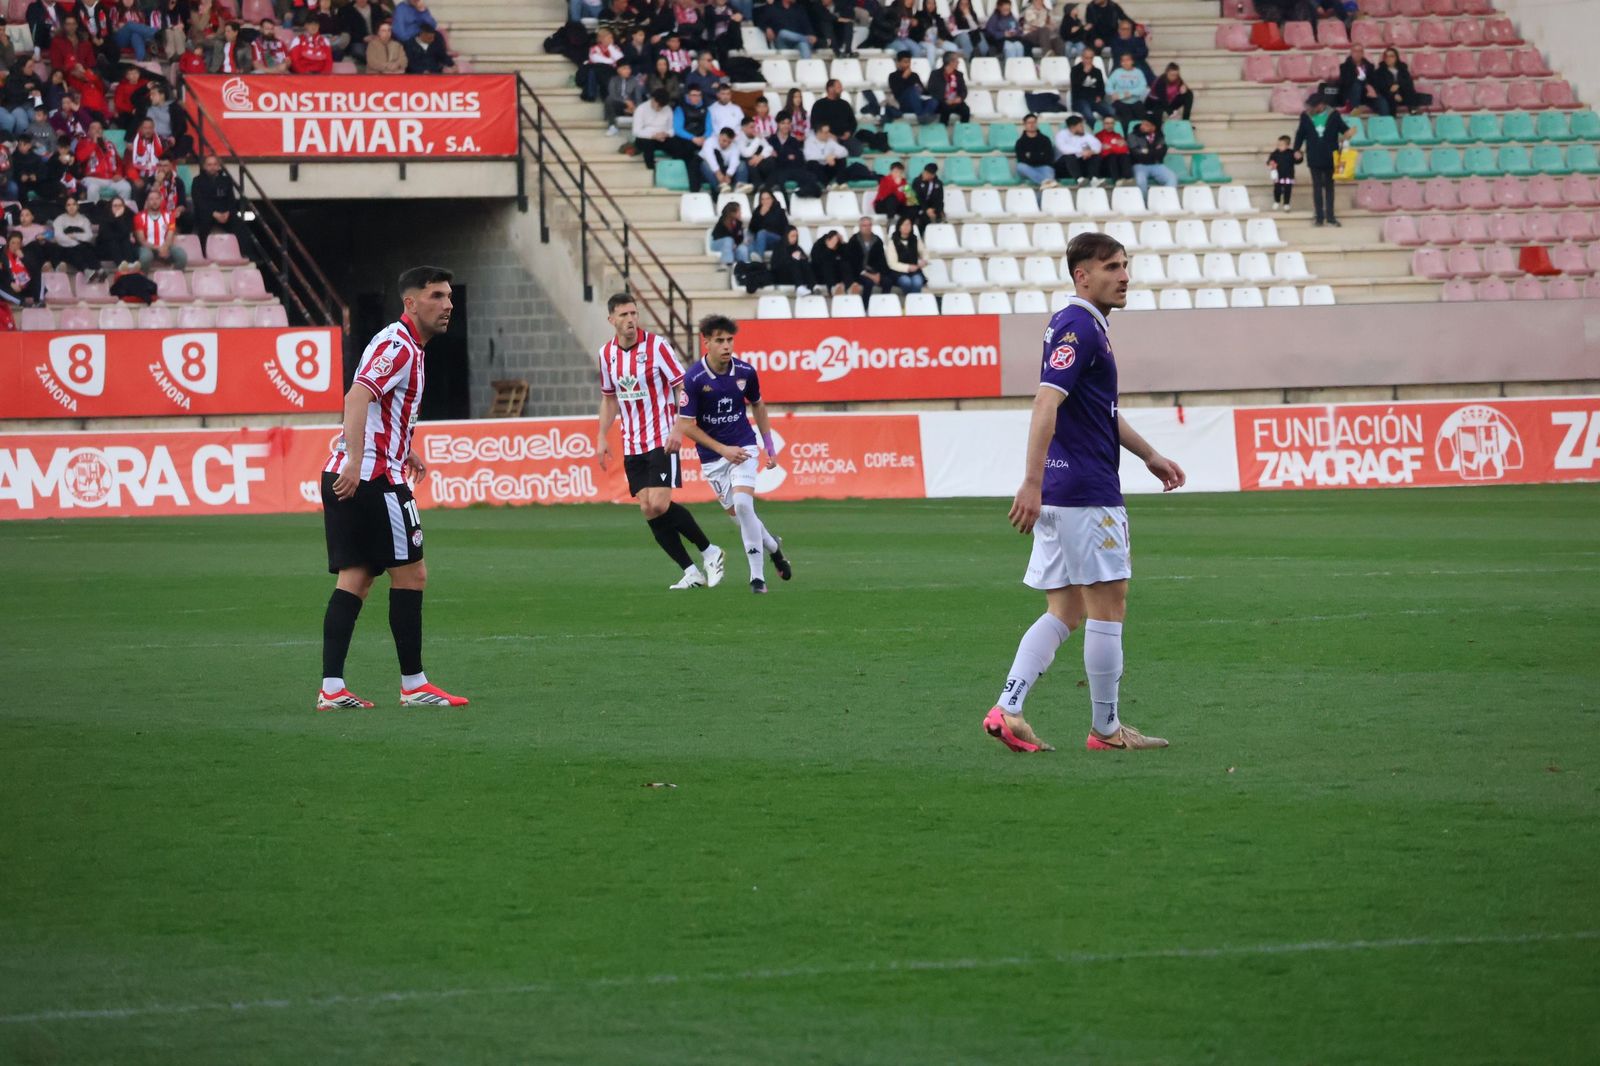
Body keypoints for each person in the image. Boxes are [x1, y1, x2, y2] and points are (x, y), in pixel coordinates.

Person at [984, 231, 1185, 755]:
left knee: (1066, 610)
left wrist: (1148, 454)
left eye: (1125, 265)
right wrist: (1030, 481)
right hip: (1085, 493)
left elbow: (1098, 412)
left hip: (1063, 492)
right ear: (1082, 275)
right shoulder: (1081, 327)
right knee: (1108, 607)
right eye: (1112, 267)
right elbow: (1045, 403)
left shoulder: (1076, 324)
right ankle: (1107, 729)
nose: (1125, 276)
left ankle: (1008, 709)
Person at [317, 266, 469, 712]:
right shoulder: (399, 347)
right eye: (437, 296)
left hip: (362, 472)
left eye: (449, 296)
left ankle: (332, 688)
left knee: (356, 579)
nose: (448, 305)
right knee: (412, 575)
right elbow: (357, 397)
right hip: (374, 480)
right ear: (411, 303)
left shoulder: (404, 345)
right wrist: (355, 459)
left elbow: (380, 409)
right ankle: (414, 685)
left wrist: (405, 449)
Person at [595, 293, 724, 590]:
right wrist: (601, 435)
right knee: (647, 508)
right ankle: (690, 571)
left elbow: (682, 387)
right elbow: (609, 398)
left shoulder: (657, 347)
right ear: (611, 320)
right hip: (632, 442)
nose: (630, 319)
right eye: (624, 315)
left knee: (659, 502)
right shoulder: (606, 354)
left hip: (662, 437)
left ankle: (710, 551)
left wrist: (679, 427)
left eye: (634, 313)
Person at [675, 315, 792, 594]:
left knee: (743, 505)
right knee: (741, 517)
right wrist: (721, 450)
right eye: (720, 341)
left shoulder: (745, 372)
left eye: (730, 340)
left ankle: (757, 578)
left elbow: (758, 405)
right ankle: (774, 547)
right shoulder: (694, 378)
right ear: (706, 342)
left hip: (743, 447)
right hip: (714, 458)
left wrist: (769, 446)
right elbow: (686, 425)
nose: (726, 346)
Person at [1293, 93, 1349, 226]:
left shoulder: (1334, 115)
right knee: (1317, 187)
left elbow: (1344, 130)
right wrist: (1296, 149)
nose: (1311, 108)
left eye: (1314, 106)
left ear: (1322, 105)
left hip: (1330, 156)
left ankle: (1330, 217)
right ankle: (1319, 217)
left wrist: (1347, 137)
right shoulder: (1305, 116)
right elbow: (1300, 134)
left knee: (1329, 187)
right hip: (1314, 155)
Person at [191, 154, 244, 258]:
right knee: (203, 224)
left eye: (215, 164)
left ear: (219, 166)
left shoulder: (226, 180)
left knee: (240, 224)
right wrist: (213, 214)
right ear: (204, 166)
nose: (212, 167)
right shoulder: (197, 181)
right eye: (209, 164)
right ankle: (203, 255)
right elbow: (198, 201)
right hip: (206, 213)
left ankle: (242, 253)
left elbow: (231, 200)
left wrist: (228, 213)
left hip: (224, 213)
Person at [764, 113, 821, 197]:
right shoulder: (771, 140)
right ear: (778, 124)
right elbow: (773, 159)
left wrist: (780, 156)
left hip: (793, 169)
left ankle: (802, 194)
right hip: (778, 170)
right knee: (776, 181)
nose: (786, 126)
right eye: (783, 123)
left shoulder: (794, 140)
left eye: (788, 123)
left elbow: (798, 158)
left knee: (810, 177)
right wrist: (788, 157)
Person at [134, 189, 186, 271]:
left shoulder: (170, 216)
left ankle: (174, 275)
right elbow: (142, 240)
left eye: (157, 199)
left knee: (181, 256)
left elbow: (170, 237)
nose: (154, 201)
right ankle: (143, 277)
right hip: (147, 247)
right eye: (151, 199)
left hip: (165, 246)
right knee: (145, 258)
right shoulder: (139, 217)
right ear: (147, 202)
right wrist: (158, 248)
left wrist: (165, 247)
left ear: (161, 200)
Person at [673, 85, 711, 190]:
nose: (696, 98)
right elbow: (678, 129)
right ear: (688, 96)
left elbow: (709, 128)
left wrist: (704, 137)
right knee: (692, 158)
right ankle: (695, 188)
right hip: (686, 140)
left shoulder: (706, 109)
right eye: (694, 95)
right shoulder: (680, 108)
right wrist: (693, 138)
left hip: (702, 140)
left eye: (699, 95)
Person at [1127, 118, 1176, 198]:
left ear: (1153, 127)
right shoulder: (1133, 135)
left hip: (1157, 164)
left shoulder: (1159, 136)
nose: (1142, 126)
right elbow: (1136, 154)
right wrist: (1154, 151)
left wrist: (1147, 151)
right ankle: (1144, 202)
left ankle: (1166, 200)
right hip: (1139, 165)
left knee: (1172, 177)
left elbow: (1162, 152)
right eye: (1143, 123)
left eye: (1146, 125)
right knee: (1140, 181)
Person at [844, 215, 890, 298]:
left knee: (887, 281)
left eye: (869, 225)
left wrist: (878, 274)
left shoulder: (877, 240)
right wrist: (869, 275)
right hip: (858, 272)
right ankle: (865, 304)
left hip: (874, 271)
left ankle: (883, 302)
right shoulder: (854, 240)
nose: (867, 227)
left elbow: (881, 260)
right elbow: (853, 262)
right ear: (860, 227)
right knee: (868, 283)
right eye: (864, 225)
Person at [1372, 47, 1427, 115]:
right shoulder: (1379, 71)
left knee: (1411, 94)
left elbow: (1409, 84)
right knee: (1389, 100)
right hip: (1389, 95)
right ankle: (1391, 120)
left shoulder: (1403, 69)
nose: (1388, 58)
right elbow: (1380, 88)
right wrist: (1393, 94)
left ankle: (1415, 115)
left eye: (1391, 56)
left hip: (1403, 94)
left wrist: (1399, 85)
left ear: (1396, 57)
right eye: (1386, 56)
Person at [50, 196, 98, 273]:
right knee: (73, 252)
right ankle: (87, 271)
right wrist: (76, 243)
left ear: (78, 206)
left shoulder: (84, 219)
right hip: (65, 248)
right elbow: (59, 236)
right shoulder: (60, 219)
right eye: (68, 205)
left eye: (74, 204)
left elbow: (89, 236)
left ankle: (98, 270)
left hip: (82, 246)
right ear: (65, 207)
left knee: (87, 249)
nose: (71, 207)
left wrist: (75, 236)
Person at [887, 53, 939, 124]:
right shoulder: (893, 76)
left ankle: (923, 116)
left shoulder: (914, 75)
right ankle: (922, 116)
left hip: (918, 101)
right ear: (898, 63)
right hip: (904, 103)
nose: (907, 64)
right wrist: (904, 77)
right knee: (912, 90)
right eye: (905, 62)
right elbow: (896, 91)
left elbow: (924, 92)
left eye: (909, 62)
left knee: (934, 101)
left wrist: (922, 89)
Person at [1052, 113, 1101, 186]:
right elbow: (1064, 149)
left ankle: (1093, 179)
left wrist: (1090, 152)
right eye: (1080, 126)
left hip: (1080, 162)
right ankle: (1079, 179)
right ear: (1072, 127)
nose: (1083, 128)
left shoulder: (1086, 135)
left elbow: (1097, 145)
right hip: (1064, 165)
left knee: (1095, 157)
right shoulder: (1061, 135)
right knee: (1069, 156)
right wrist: (1082, 152)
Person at [603, 59, 648, 136]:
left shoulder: (634, 81)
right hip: (619, 106)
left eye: (629, 68)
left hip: (631, 108)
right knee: (609, 99)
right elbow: (612, 95)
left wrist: (635, 108)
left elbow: (638, 98)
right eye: (625, 68)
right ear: (618, 70)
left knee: (644, 104)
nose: (628, 71)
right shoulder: (613, 80)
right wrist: (625, 101)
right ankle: (612, 126)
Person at [1338, 44, 1385, 116]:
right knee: (1356, 85)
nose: (1358, 53)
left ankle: (1386, 120)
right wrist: (1366, 84)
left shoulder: (1369, 66)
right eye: (1355, 51)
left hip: (1367, 95)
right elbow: (1346, 83)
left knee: (1382, 101)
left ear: (1363, 53)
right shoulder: (1344, 67)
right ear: (1351, 53)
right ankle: (1355, 117)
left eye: (1360, 51)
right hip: (1351, 95)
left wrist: (1372, 89)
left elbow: (1374, 82)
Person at [699, 126, 749, 193]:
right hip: (712, 169)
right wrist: (718, 173)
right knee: (705, 164)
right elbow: (710, 158)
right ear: (719, 136)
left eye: (729, 142)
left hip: (726, 169)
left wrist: (728, 175)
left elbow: (734, 162)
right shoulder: (710, 141)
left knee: (741, 164)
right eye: (724, 140)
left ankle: (740, 188)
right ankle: (720, 187)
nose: (726, 144)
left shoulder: (734, 147)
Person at [886, 214, 927, 294]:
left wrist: (924, 260)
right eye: (904, 225)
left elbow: (924, 252)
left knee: (918, 282)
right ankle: (910, 298)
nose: (906, 227)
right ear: (899, 227)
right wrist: (908, 267)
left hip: (915, 271)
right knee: (906, 282)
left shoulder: (915, 240)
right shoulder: (893, 242)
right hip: (898, 272)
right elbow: (892, 263)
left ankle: (912, 299)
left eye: (908, 224)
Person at [1014, 111, 1057, 188]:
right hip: (1028, 169)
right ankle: (1045, 181)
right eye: (1029, 123)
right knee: (1020, 166)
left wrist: (1030, 156)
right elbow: (1021, 159)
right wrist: (1040, 155)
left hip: (1044, 167)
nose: (1032, 124)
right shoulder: (1020, 142)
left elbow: (1049, 157)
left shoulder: (1045, 139)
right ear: (1024, 125)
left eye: (1034, 122)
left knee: (1048, 179)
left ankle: (1044, 183)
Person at [1105, 52, 1148, 127]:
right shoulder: (1117, 72)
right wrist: (1113, 93)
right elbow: (1108, 86)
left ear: (1132, 61)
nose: (1125, 63)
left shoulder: (1138, 72)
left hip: (1135, 101)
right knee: (1127, 118)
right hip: (1120, 101)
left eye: (1128, 60)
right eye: (1123, 61)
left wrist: (1131, 93)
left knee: (1143, 118)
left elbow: (1142, 87)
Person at [95, 192, 137, 269]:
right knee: (113, 241)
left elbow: (126, 232)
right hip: (106, 248)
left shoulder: (127, 216)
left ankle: (130, 263)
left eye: (120, 205)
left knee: (126, 241)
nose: (118, 208)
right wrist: (116, 218)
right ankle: (121, 264)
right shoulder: (105, 217)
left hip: (122, 247)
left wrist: (119, 219)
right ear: (111, 207)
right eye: (115, 206)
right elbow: (107, 236)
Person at [582, 26, 624, 101]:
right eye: (608, 37)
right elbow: (596, 59)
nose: (610, 39)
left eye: (611, 37)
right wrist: (612, 60)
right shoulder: (594, 48)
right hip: (600, 71)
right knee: (595, 71)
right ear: (601, 39)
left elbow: (619, 59)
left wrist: (610, 47)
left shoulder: (615, 47)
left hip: (612, 71)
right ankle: (593, 94)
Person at [0, 231, 42, 305]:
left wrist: (23, 258)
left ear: (21, 244)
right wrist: (10, 283)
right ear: (8, 243)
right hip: (10, 287)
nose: (15, 246)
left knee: (39, 275)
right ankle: (21, 302)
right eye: (13, 243)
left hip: (26, 285)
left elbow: (35, 270)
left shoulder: (26, 253)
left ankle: (38, 301)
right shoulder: (2, 255)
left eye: (18, 243)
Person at [771, 226, 816, 292]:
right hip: (782, 276)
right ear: (786, 236)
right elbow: (776, 265)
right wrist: (791, 258)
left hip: (796, 276)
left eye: (796, 236)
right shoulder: (779, 247)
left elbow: (805, 259)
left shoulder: (797, 247)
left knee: (804, 261)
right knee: (794, 261)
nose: (795, 238)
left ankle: (812, 286)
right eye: (792, 236)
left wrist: (800, 256)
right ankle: (799, 287)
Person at [1107, 19, 1153, 84]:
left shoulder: (1137, 40)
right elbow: (1121, 54)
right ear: (1119, 30)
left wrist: (1140, 39)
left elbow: (1144, 53)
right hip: (1120, 68)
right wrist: (1134, 54)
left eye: (1128, 29)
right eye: (1123, 29)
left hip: (1139, 68)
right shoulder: (1115, 41)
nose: (1126, 31)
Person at [930, 52, 970, 125]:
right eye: (956, 61)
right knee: (945, 109)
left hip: (955, 101)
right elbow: (932, 90)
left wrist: (960, 98)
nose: (958, 63)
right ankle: (943, 130)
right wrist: (945, 100)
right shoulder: (935, 74)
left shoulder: (959, 75)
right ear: (951, 62)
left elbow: (964, 90)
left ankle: (962, 130)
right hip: (942, 102)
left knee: (966, 110)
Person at [747, 188, 788, 259]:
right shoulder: (757, 211)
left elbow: (785, 228)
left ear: (772, 199)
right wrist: (760, 215)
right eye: (762, 199)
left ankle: (759, 260)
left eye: (768, 199)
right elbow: (752, 229)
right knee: (750, 245)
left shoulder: (779, 211)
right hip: (761, 241)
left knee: (762, 233)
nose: (765, 201)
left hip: (776, 240)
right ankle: (753, 264)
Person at [1070, 48, 1107, 123]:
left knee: (1111, 112)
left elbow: (1101, 88)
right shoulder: (1075, 70)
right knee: (1090, 117)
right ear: (1082, 58)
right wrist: (1084, 73)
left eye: (1091, 58)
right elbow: (1075, 88)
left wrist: (1100, 96)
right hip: (1080, 101)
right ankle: (1097, 130)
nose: (1089, 60)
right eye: (1086, 58)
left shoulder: (1097, 71)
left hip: (1094, 100)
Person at [709, 200, 750, 267]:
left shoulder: (739, 223)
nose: (741, 213)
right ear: (732, 213)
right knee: (728, 240)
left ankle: (743, 268)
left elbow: (740, 238)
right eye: (739, 211)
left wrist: (737, 243)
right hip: (717, 244)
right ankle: (727, 264)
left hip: (732, 246)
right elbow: (717, 236)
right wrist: (733, 243)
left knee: (742, 248)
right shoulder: (722, 221)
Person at [1095, 114, 1131, 187]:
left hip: (1117, 163)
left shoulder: (1118, 135)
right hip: (1105, 165)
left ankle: (1127, 179)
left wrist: (1110, 147)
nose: (1110, 125)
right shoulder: (1098, 136)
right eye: (1107, 123)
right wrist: (1116, 147)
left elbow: (1125, 150)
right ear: (1103, 124)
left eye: (1112, 123)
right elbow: (1103, 152)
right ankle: (1117, 180)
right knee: (1112, 156)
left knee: (1124, 156)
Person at [809, 227, 848, 293]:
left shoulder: (839, 244)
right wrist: (828, 249)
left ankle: (848, 286)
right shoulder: (818, 245)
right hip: (820, 274)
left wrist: (843, 243)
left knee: (844, 264)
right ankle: (833, 288)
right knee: (827, 264)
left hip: (837, 274)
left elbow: (847, 256)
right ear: (827, 240)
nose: (835, 247)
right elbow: (816, 262)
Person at [1267, 134, 1297, 212]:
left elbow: (1298, 160)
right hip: (1278, 175)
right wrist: (1271, 163)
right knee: (1277, 189)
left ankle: (1286, 203)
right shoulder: (1275, 153)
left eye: (1281, 145)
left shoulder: (1291, 153)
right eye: (1278, 144)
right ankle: (1277, 201)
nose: (1279, 146)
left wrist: (1299, 157)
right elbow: (1269, 161)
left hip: (1289, 175)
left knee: (1287, 189)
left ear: (1287, 145)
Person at [911, 161, 944, 226]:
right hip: (920, 206)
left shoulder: (938, 183)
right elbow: (917, 198)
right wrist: (926, 209)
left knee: (938, 214)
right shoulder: (917, 181)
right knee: (922, 217)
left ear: (933, 175)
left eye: (928, 174)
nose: (925, 175)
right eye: (925, 173)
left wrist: (933, 209)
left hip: (933, 207)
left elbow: (939, 198)